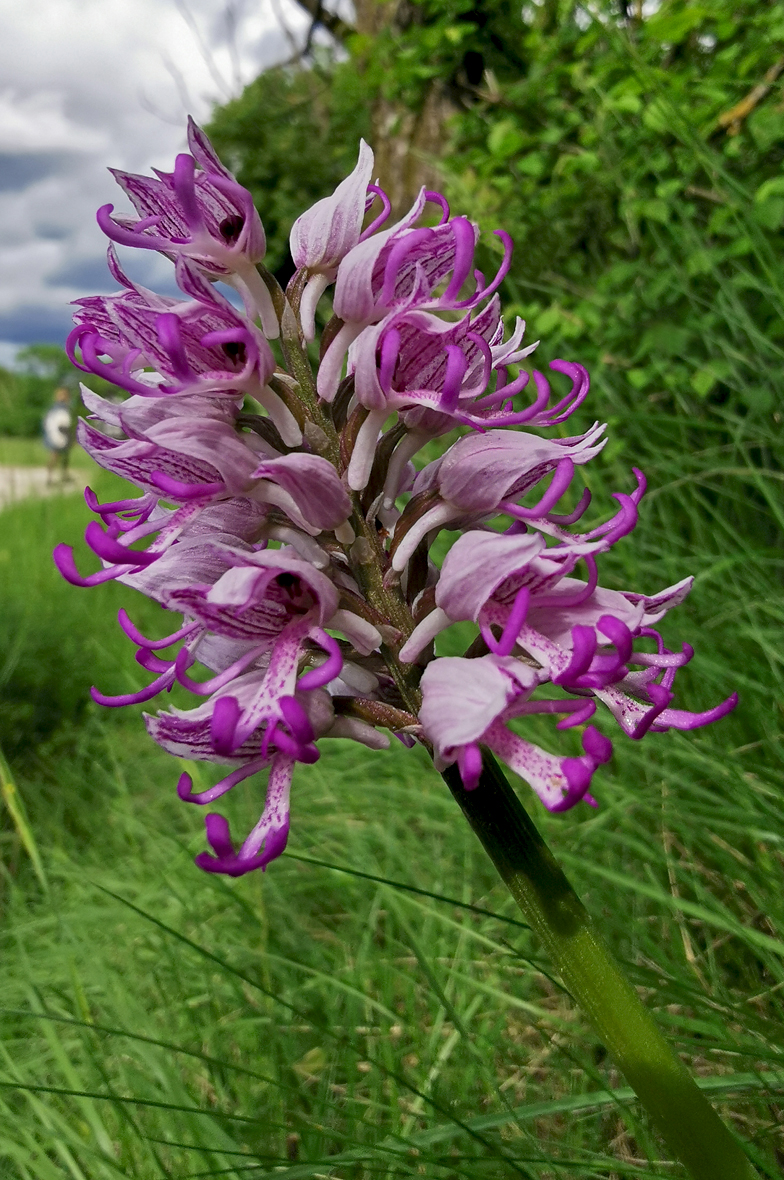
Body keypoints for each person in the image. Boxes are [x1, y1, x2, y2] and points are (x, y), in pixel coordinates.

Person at [42, 387, 73, 485]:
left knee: (64, 456)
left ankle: (63, 475)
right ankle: (49, 477)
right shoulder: (58, 408)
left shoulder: (62, 408)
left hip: (60, 434)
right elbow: (60, 423)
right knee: (55, 456)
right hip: (58, 434)